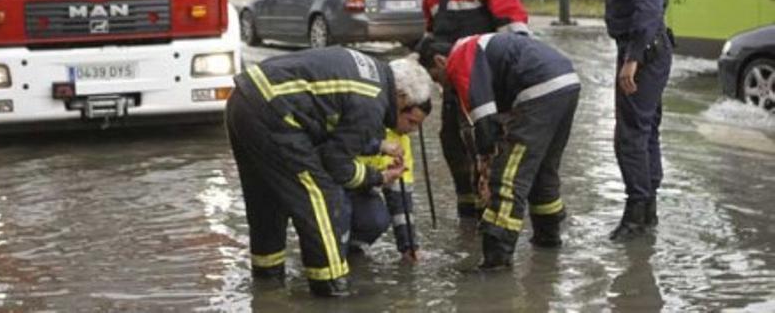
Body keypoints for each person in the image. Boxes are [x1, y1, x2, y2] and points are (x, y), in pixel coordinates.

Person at [225, 47, 432, 297]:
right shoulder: (373, 101)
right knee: (321, 196)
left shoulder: (370, 75)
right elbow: (337, 165)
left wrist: (377, 146)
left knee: (266, 197)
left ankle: (267, 280)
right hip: (271, 111)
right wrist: (378, 177)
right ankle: (330, 287)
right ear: (400, 97)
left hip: (244, 100)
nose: (410, 131)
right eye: (410, 122)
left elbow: (327, 128)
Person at [417, 32, 580, 269]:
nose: (441, 86)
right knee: (543, 171)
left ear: (441, 61)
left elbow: (485, 124)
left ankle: (496, 258)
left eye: (436, 78)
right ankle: (548, 240)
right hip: (567, 83)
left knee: (507, 178)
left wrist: (486, 166)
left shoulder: (460, 59)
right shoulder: (479, 46)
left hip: (538, 90)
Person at [414, 0, 529, 219]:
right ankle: (468, 211)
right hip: (453, 82)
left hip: (487, 83)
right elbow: (430, 36)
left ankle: (492, 211)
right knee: (452, 142)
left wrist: (509, 84)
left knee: (486, 145)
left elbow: (515, 30)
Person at [578, 0, 673, 241]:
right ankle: (647, 211)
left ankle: (636, 217)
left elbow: (648, 9)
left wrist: (632, 59)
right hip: (644, 49)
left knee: (630, 135)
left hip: (644, 51)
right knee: (645, 131)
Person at [344, 116, 429, 263]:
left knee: (377, 220)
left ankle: (352, 250)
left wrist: (409, 247)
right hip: (335, 184)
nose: (413, 129)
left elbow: (401, 198)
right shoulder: (365, 124)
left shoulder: (402, 142)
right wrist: (380, 176)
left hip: (361, 187)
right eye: (411, 121)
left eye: (418, 125)